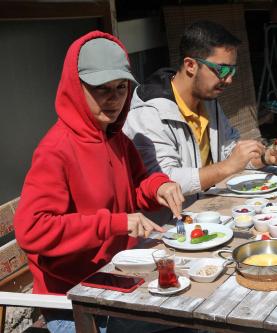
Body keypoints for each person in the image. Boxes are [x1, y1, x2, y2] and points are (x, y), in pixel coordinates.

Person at [14, 31, 184, 332]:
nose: (114, 99)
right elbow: (32, 230)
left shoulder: (116, 137)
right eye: (101, 89)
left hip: (119, 277)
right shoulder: (56, 149)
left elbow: (137, 184)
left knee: (187, 316)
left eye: (121, 88)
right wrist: (114, 224)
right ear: (75, 88)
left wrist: (159, 186)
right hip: (72, 297)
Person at [123, 20, 277, 205]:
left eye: (233, 70)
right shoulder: (149, 114)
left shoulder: (208, 101)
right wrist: (226, 167)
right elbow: (162, 179)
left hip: (207, 211)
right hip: (169, 225)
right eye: (222, 69)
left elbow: (230, 152)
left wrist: (264, 157)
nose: (229, 79)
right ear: (190, 65)